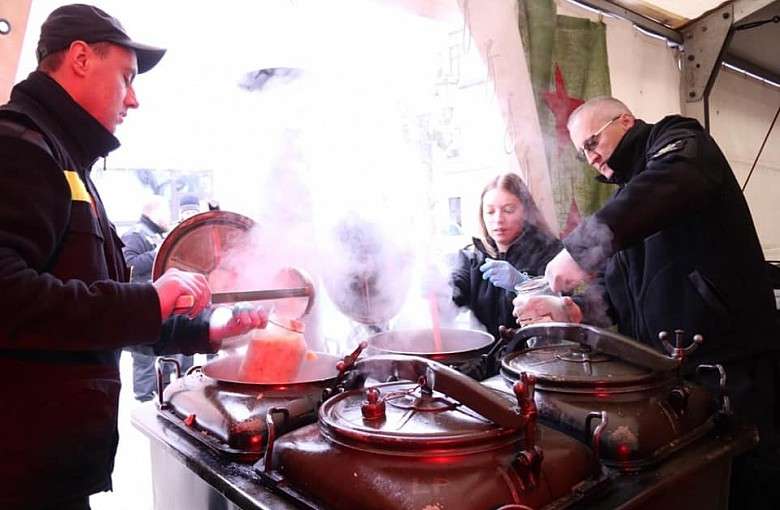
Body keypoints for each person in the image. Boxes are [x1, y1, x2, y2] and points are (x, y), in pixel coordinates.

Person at [0, 5, 267, 509]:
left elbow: (102, 309)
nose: (134, 99)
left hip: (47, 468)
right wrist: (150, 298)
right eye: (126, 78)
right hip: (16, 472)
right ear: (80, 58)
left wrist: (204, 330)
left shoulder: (66, 161)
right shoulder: (19, 149)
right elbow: (9, 297)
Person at [513, 96, 779, 508]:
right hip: (678, 376)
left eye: (592, 143)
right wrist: (570, 309)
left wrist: (579, 250)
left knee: (754, 476)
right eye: (583, 151)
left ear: (625, 121)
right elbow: (621, 296)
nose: (591, 158)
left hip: (733, 364)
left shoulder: (680, 141)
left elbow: (671, 179)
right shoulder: (629, 204)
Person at [449, 173, 562, 341]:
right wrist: (440, 288)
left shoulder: (551, 252)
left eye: (508, 210)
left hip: (538, 358)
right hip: (487, 359)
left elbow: (563, 307)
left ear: (526, 211)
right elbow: (455, 290)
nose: (498, 219)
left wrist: (523, 284)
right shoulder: (472, 257)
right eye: (490, 212)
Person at [122, 195, 194, 402]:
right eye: (166, 213)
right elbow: (129, 265)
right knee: (144, 360)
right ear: (154, 212)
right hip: (143, 305)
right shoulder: (136, 235)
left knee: (164, 356)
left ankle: (165, 397)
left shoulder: (152, 234)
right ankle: (144, 402)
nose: (168, 218)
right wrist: (159, 251)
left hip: (158, 305)